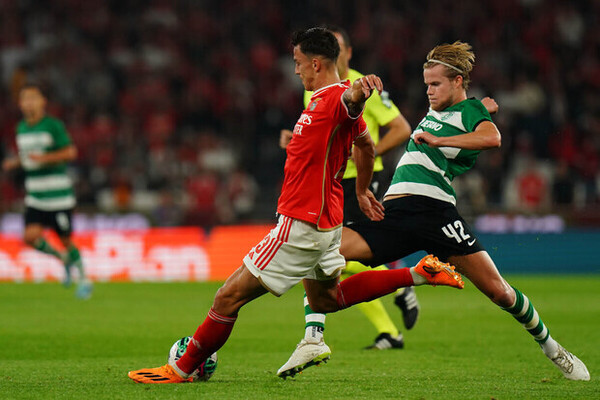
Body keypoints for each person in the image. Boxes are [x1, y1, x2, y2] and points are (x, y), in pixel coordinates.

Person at [127, 27, 463, 384]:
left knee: (227, 297)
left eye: (298, 63)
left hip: (301, 223)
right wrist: (362, 190)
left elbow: (350, 102)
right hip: (327, 224)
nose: (295, 70)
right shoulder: (319, 102)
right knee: (327, 300)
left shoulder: (337, 99)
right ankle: (419, 273)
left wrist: (357, 94)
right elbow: (364, 145)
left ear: (316, 64)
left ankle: (179, 368)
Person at [281, 41, 589, 381]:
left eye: (436, 84)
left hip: (437, 213)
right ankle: (313, 337)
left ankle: (554, 349)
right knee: (321, 251)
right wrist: (481, 108)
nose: (428, 91)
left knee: (499, 291)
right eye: (426, 84)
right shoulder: (445, 108)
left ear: (457, 82)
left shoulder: (469, 112)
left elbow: (492, 138)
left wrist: (450, 135)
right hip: (395, 213)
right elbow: (468, 114)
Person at [279, 25, 417, 352]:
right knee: (329, 254)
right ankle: (391, 318)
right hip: (333, 181)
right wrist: (294, 140)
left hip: (362, 181)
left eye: (339, 49)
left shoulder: (361, 86)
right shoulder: (312, 89)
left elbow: (401, 128)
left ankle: (316, 334)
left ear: (348, 53)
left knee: (331, 252)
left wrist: (367, 152)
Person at [2, 83, 92, 299]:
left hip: (58, 196)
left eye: (33, 98)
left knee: (66, 239)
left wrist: (44, 159)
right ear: (20, 104)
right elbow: (28, 157)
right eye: (25, 99)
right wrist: (15, 163)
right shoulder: (21, 128)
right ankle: (62, 259)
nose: (29, 103)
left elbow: (70, 152)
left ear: (43, 102)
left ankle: (84, 279)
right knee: (30, 236)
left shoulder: (53, 125)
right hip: (35, 195)